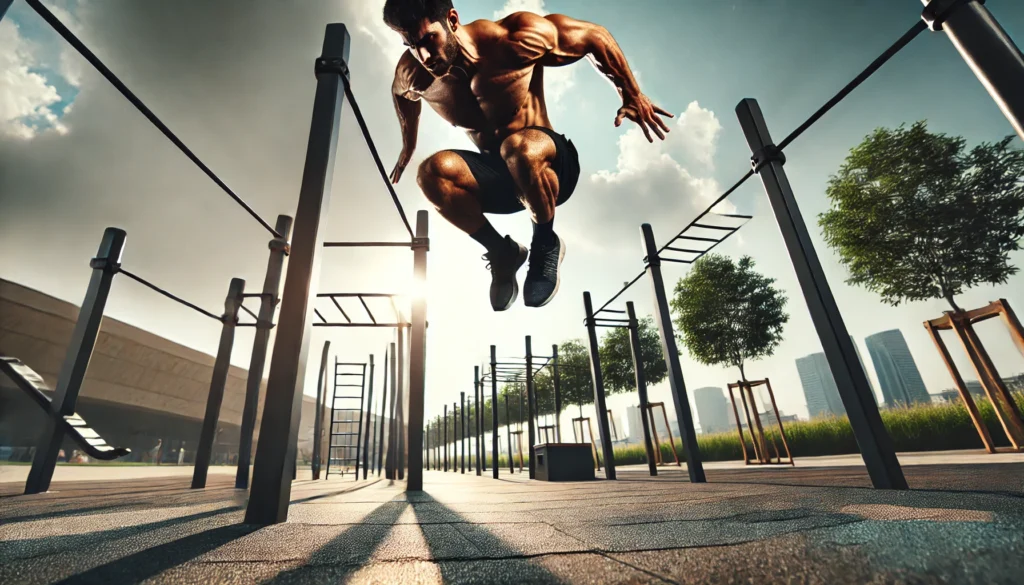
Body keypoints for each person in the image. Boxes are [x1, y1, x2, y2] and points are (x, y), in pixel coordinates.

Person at [384, 1, 672, 310]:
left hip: (550, 164)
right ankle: (503, 253)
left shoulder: (512, 40)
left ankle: (546, 241)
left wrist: (631, 93)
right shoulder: (414, 72)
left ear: (452, 20)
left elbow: (594, 36)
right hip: (502, 180)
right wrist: (408, 145)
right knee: (431, 173)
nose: (424, 56)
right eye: (412, 45)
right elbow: (400, 94)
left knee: (518, 149)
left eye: (429, 39)